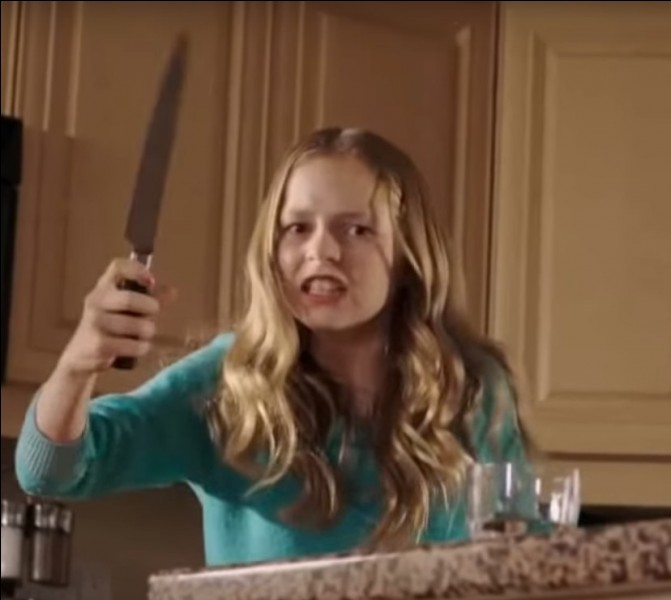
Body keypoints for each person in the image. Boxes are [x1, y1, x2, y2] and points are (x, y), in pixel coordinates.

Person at [14, 127, 533, 566]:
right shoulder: (223, 385)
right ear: (271, 250)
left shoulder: (472, 388)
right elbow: (50, 471)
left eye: (356, 229)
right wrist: (78, 365)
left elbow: (529, 558)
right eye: (297, 228)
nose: (321, 251)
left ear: (408, 257)